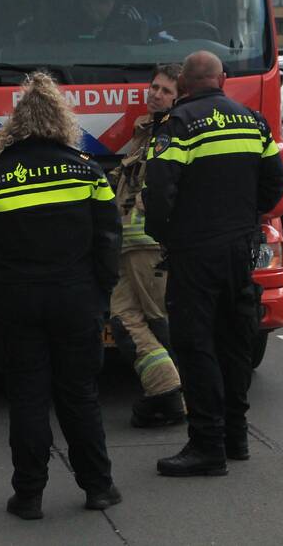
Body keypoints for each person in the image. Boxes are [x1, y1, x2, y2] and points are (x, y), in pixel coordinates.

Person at [0, 72, 122, 520]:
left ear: (15, 122)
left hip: (14, 299)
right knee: (80, 395)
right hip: (75, 297)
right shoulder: (86, 168)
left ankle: (28, 496)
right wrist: (101, 292)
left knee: (28, 397)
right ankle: (99, 487)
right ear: (60, 119)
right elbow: (109, 237)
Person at [143, 51, 283, 477]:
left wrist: (168, 236)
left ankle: (206, 445)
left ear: (184, 83)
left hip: (195, 253)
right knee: (234, 340)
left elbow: (159, 192)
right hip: (241, 248)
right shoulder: (252, 120)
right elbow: (275, 183)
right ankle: (234, 436)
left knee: (194, 343)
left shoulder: (179, 126)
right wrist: (244, 220)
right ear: (222, 79)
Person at [107, 63, 185, 428]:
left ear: (180, 97)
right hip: (126, 244)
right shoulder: (146, 130)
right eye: (154, 87)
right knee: (122, 320)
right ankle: (165, 390)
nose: (156, 94)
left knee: (160, 322)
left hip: (152, 246)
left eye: (166, 90)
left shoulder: (176, 132)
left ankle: (181, 400)